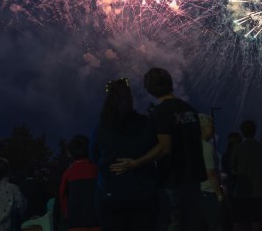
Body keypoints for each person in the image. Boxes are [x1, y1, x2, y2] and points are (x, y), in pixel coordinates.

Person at [110, 67, 206, 230]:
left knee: (174, 223)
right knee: (193, 222)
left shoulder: (161, 113)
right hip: (194, 177)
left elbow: (164, 148)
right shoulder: (190, 110)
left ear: (150, 89)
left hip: (173, 179)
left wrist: (135, 163)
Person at [92, 77, 158, 231]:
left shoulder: (101, 128)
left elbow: (94, 156)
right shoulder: (145, 124)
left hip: (110, 194)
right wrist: (136, 163)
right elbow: (157, 150)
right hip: (144, 193)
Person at [230, 119, 262, 231]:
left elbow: (232, 168)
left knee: (241, 222)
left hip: (241, 192)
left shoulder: (237, 148)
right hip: (259, 192)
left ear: (242, 131)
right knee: (256, 222)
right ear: (255, 131)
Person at [59, 135, 99, 230]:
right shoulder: (96, 170)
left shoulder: (68, 174)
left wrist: (68, 214)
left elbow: (62, 196)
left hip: (75, 224)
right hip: (97, 222)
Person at [198, 114, 224, 231]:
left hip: (197, 193)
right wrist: (219, 195)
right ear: (203, 128)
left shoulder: (191, 145)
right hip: (209, 193)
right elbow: (211, 173)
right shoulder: (207, 147)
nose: (213, 130)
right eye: (211, 127)